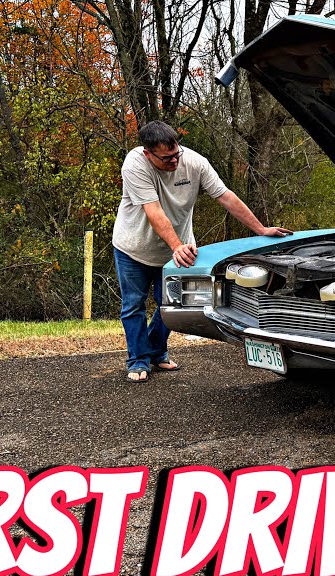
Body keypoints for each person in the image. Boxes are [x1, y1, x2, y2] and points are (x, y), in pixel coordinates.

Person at [111, 121, 290, 383]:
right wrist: (176, 245)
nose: (174, 161)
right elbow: (154, 211)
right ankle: (138, 360)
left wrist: (260, 229)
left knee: (171, 306)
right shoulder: (135, 164)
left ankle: (156, 351)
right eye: (166, 158)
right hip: (134, 249)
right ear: (148, 154)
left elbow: (225, 196)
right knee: (133, 306)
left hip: (177, 251)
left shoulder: (194, 162)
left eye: (176, 153)